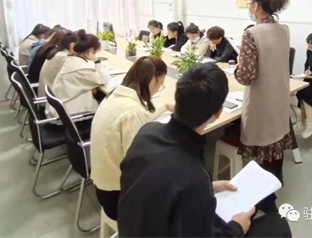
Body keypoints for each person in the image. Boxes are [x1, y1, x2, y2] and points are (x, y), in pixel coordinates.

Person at [118, 64, 291, 237]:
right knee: (277, 225)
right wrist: (237, 228)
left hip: (136, 228)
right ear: (218, 112)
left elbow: (163, 186)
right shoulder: (193, 176)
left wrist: (207, 188)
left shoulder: (147, 132)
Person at [235, 0, 291, 214]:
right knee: (275, 144)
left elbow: (246, 76)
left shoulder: (252, 33)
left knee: (262, 145)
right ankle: (274, 185)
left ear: (256, 6)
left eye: (250, 4)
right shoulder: (284, 30)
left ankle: (264, 200)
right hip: (280, 96)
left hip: (262, 99)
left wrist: (238, 66)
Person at [91, 56, 168, 221]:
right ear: (153, 80)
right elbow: (140, 166)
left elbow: (140, 117)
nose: (158, 89)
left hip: (104, 185)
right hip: (118, 197)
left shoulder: (116, 95)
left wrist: (165, 107)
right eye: (160, 84)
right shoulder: (133, 113)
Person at [49, 30, 110, 117]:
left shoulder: (70, 60)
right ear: (91, 50)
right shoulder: (82, 69)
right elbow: (104, 78)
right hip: (70, 114)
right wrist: (96, 61)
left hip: (63, 106)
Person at [38, 30, 79, 98]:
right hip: (52, 98)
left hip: (48, 95)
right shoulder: (62, 57)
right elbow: (73, 76)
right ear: (72, 45)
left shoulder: (56, 53)